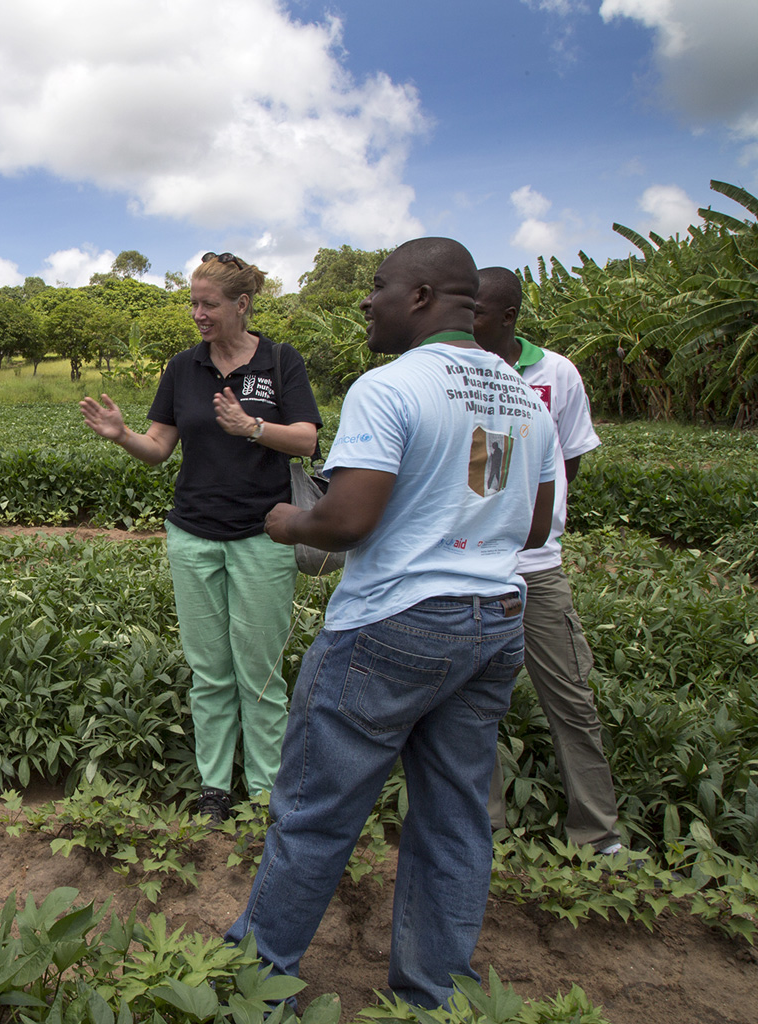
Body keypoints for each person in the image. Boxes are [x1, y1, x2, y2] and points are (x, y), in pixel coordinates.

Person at [224, 238, 557, 1009]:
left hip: (393, 626)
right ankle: (432, 996)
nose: (366, 300)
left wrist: (285, 523)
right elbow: (534, 527)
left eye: (379, 287)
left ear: (422, 295)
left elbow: (346, 520)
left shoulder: (391, 385)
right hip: (495, 622)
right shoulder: (518, 392)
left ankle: (251, 988)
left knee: (313, 815)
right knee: (454, 820)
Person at [79, 252, 321, 825]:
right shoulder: (182, 367)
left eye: (208, 303)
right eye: (193, 302)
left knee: (259, 674)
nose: (198, 314)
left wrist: (253, 427)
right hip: (192, 535)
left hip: (263, 535)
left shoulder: (281, 361)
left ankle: (264, 792)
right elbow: (160, 449)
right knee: (209, 671)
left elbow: (308, 440)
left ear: (242, 304)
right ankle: (215, 786)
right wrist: (122, 436)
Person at [474, 266, 622, 855]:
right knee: (475, 702)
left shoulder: (555, 372)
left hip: (538, 565)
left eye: (478, 312)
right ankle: (483, 827)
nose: (467, 321)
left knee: (571, 700)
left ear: (509, 317)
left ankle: (597, 833)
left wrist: (544, 517)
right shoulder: (460, 373)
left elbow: (569, 459)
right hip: (479, 565)